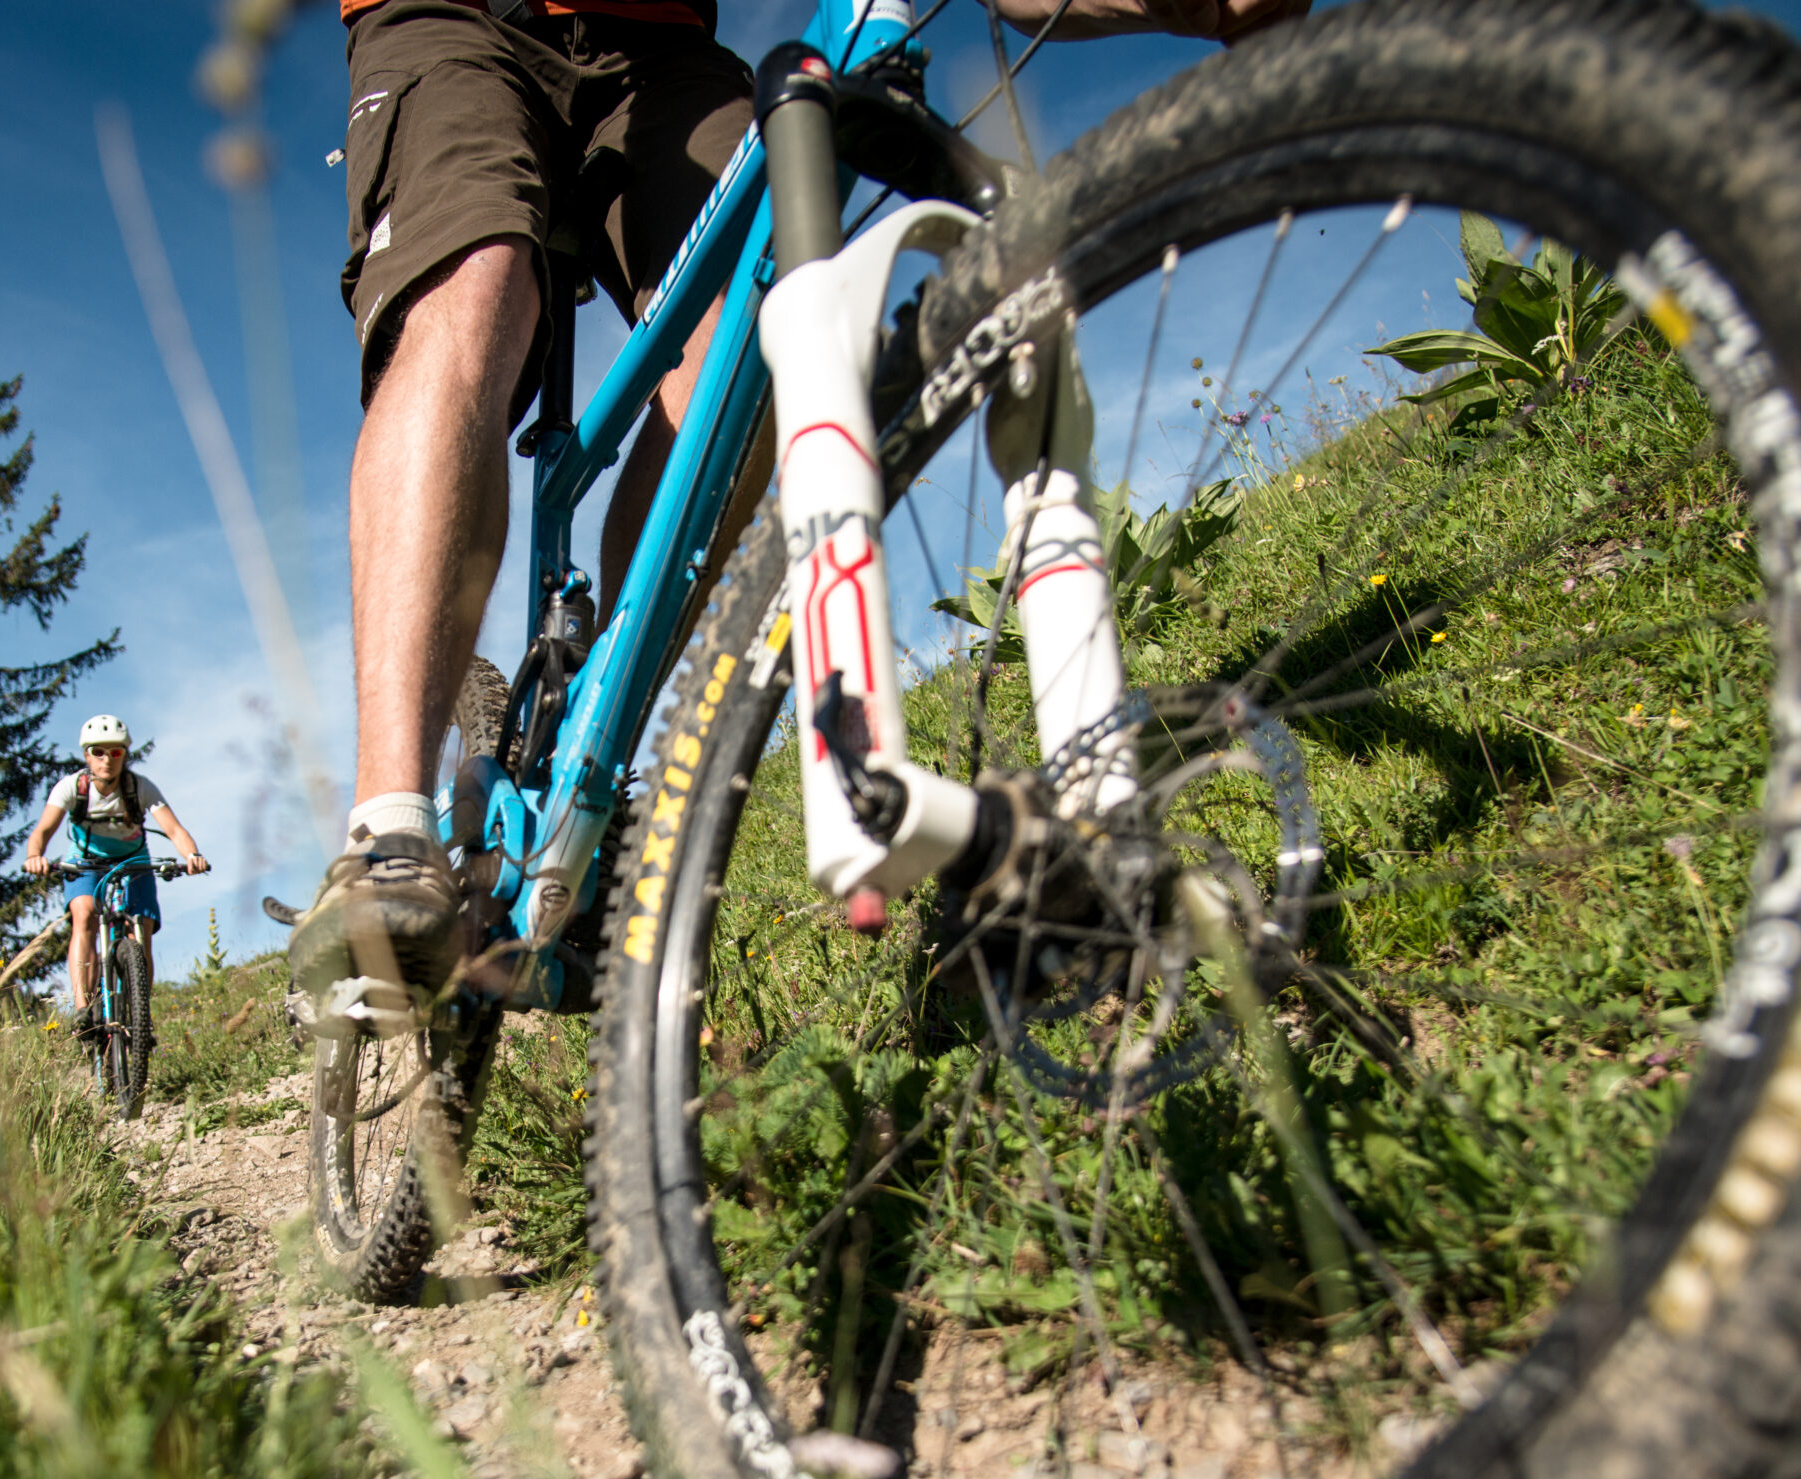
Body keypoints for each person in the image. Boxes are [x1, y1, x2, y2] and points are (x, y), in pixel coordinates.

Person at [288, 0, 1308, 1002]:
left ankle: (589, 756)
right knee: (476, 282)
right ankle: (390, 832)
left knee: (754, 340)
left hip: (658, 43)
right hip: (459, 17)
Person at [23, 715, 209, 1028]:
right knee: (85, 915)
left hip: (133, 862)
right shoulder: (72, 788)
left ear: (125, 754)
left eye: (115, 752)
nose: (106, 760)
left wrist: (192, 855)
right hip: (86, 863)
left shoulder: (140, 788)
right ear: (86, 756)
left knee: (141, 928)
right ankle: (83, 1011)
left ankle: (140, 1015)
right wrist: (34, 856)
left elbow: (174, 830)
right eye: (98, 752)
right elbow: (42, 830)